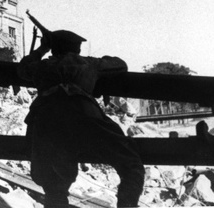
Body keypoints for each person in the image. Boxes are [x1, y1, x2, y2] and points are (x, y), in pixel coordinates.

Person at [17, 28, 144, 208]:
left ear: (53, 47)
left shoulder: (42, 66)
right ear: (76, 48)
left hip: (47, 120)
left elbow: (23, 68)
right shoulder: (88, 63)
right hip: (85, 115)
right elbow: (120, 65)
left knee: (54, 186)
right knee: (130, 162)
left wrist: (42, 48)